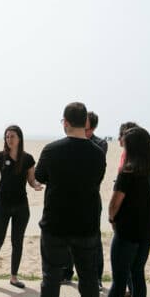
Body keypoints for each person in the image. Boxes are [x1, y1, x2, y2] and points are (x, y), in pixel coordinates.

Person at [15, 102, 106, 297]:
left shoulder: (52, 149)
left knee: (51, 277)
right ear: (85, 122)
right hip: (87, 223)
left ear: (65, 122)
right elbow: (97, 179)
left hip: (56, 223)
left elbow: (40, 176)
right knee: (88, 278)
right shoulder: (98, 153)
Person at [99, 126, 150, 297]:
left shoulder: (128, 172)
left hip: (127, 231)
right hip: (147, 230)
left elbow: (115, 203)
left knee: (119, 278)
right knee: (138, 275)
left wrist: (111, 218)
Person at [0, 126, 42, 290]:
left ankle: (14, 277)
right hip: (2, 205)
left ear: (19, 138)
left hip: (21, 206)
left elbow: (31, 180)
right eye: (7, 137)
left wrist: (36, 185)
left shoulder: (27, 158)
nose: (9, 139)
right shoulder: (0, 156)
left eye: (12, 136)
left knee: (17, 242)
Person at [63, 111, 108, 287]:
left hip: (90, 199)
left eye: (86, 127)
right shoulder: (70, 141)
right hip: (71, 198)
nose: (82, 129)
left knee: (94, 239)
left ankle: (97, 277)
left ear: (92, 128)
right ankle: (66, 273)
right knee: (68, 237)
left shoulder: (100, 144)